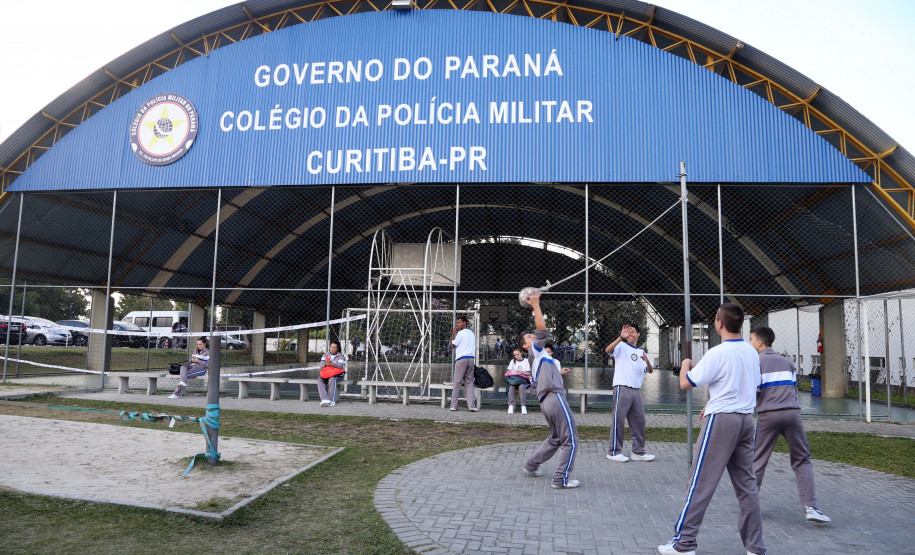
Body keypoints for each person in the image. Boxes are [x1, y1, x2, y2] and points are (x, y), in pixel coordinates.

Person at [658, 303, 765, 555]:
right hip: (746, 421)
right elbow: (745, 383)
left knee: (700, 483)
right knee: (747, 486)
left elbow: (686, 383)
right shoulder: (751, 353)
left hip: (722, 422)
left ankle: (683, 544)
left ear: (719, 324)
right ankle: (755, 548)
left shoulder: (717, 353)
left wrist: (685, 363)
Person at [749, 326, 830, 523]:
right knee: (802, 460)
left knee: (757, 460)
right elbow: (792, 390)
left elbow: (754, 392)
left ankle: (749, 507)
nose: (749, 343)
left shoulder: (755, 363)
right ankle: (811, 507)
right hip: (793, 415)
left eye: (751, 339)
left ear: (759, 342)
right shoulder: (788, 363)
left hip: (768, 416)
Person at [519, 288, 580, 489]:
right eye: (529, 337)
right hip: (554, 399)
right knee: (570, 440)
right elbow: (542, 331)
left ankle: (531, 465)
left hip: (547, 401)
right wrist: (535, 304)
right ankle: (560, 479)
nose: (533, 337)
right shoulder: (536, 352)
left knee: (556, 438)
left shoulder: (543, 358)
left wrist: (559, 373)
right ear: (528, 346)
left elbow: (546, 374)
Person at [604, 323, 656, 462]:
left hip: (636, 391)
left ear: (638, 334)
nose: (630, 334)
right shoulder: (621, 346)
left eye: (633, 332)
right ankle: (613, 452)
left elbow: (650, 370)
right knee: (618, 421)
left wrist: (647, 362)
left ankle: (638, 452)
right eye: (628, 332)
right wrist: (620, 337)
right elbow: (607, 350)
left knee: (639, 422)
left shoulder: (641, 353)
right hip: (623, 388)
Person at [450, 315, 478, 411]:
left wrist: (453, 333)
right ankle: (471, 406)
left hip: (462, 359)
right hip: (471, 359)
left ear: (464, 323)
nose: (457, 324)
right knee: (469, 382)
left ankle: (453, 405)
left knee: (457, 382)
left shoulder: (461, 333)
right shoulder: (472, 333)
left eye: (458, 322)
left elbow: (453, 345)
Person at [318, 340, 347, 407]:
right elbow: (321, 365)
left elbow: (340, 366)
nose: (332, 349)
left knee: (332, 379)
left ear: (337, 349)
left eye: (334, 347)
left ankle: (331, 401)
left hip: (337, 375)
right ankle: (325, 399)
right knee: (320, 379)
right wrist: (326, 364)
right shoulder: (325, 355)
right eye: (331, 347)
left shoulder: (340, 356)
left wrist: (332, 364)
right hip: (327, 374)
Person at [505, 347, 531, 414]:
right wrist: (510, 371)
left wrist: (521, 372)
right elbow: (507, 372)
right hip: (514, 381)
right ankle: (510, 406)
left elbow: (528, 373)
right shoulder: (512, 361)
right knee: (511, 387)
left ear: (521, 353)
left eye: (517, 354)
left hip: (522, 380)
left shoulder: (526, 361)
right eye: (515, 355)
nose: (516, 356)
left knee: (522, 387)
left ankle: (523, 406)